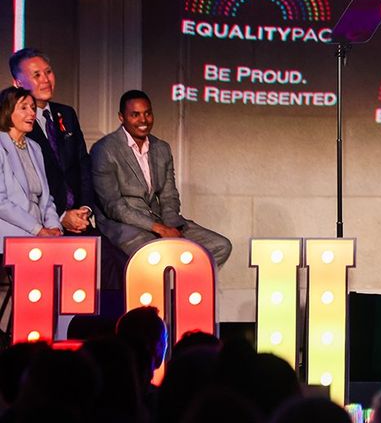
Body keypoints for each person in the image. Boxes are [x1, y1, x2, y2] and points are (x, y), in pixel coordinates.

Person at [10, 48, 129, 306]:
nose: (45, 79)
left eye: (48, 72)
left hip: (79, 219)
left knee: (121, 265)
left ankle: (110, 336)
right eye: (36, 74)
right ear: (18, 83)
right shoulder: (13, 127)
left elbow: (82, 166)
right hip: (43, 224)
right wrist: (62, 216)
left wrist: (84, 208)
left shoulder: (66, 114)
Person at [91, 90, 231, 266]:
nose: (143, 120)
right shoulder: (104, 150)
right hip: (123, 225)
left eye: (147, 113)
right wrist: (159, 229)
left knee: (220, 246)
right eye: (135, 115)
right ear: (121, 117)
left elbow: (168, 195)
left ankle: (183, 291)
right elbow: (114, 207)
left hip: (161, 220)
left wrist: (171, 226)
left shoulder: (161, 148)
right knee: (156, 253)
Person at [0, 86, 62, 244]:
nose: (32, 113)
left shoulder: (35, 147)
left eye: (33, 108)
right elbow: (1, 202)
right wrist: (38, 230)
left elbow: (46, 198)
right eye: (24, 108)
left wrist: (54, 226)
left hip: (38, 238)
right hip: (8, 239)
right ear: (7, 111)